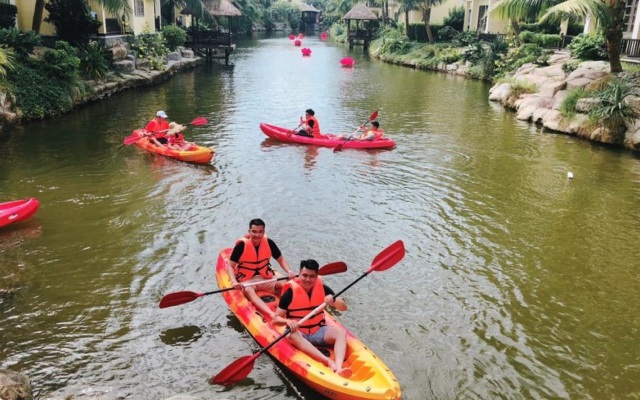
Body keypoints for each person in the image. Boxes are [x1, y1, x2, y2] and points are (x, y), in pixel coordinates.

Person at [272, 259, 352, 378]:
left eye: (311, 276)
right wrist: (288, 321)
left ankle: (339, 367)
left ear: (316, 276)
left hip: (318, 331)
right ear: (299, 273)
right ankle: (328, 361)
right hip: (300, 333)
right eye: (304, 275)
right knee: (292, 335)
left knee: (340, 332)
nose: (307, 279)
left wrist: (333, 299)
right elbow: (276, 319)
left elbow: (343, 308)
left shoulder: (323, 289)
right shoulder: (289, 293)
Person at [228, 219, 296, 319]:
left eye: (260, 232)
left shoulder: (269, 243)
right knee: (249, 291)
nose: (257, 235)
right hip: (247, 280)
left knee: (286, 285)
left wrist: (289, 271)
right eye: (254, 231)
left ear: (263, 232)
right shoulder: (241, 246)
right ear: (249, 231)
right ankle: (271, 314)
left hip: (265, 278)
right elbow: (230, 266)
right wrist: (234, 281)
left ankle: (294, 307)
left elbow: (280, 259)